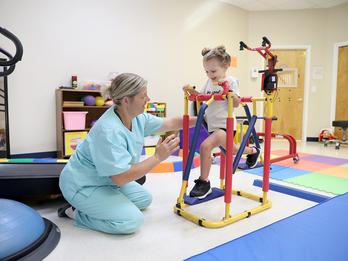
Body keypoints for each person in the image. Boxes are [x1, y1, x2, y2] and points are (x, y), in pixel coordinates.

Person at [58, 73, 196, 235]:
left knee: (144, 199)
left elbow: (172, 122)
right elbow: (120, 177)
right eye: (143, 96)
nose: (148, 99)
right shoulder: (109, 130)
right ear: (126, 100)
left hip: (106, 180)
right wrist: (158, 157)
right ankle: (76, 212)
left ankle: (106, 201)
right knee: (131, 221)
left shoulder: (137, 118)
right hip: (82, 184)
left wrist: (204, 118)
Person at [183, 46, 261, 199]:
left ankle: (204, 182)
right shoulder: (209, 83)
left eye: (213, 71)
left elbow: (237, 102)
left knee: (205, 147)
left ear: (225, 66)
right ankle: (253, 151)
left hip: (225, 126)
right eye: (206, 71)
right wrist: (192, 92)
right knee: (233, 150)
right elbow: (201, 96)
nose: (210, 75)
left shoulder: (230, 81)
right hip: (212, 126)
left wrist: (229, 94)